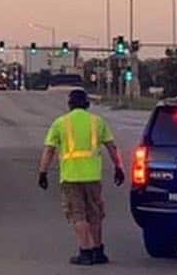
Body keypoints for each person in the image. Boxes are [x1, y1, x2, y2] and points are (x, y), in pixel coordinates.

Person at [38, 88, 126, 265]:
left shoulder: (60, 123)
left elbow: (49, 150)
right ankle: (98, 251)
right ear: (87, 103)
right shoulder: (97, 122)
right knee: (95, 214)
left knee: (78, 214)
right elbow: (111, 147)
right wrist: (119, 167)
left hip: (71, 177)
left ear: (69, 104)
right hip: (93, 176)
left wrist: (43, 172)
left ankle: (85, 252)